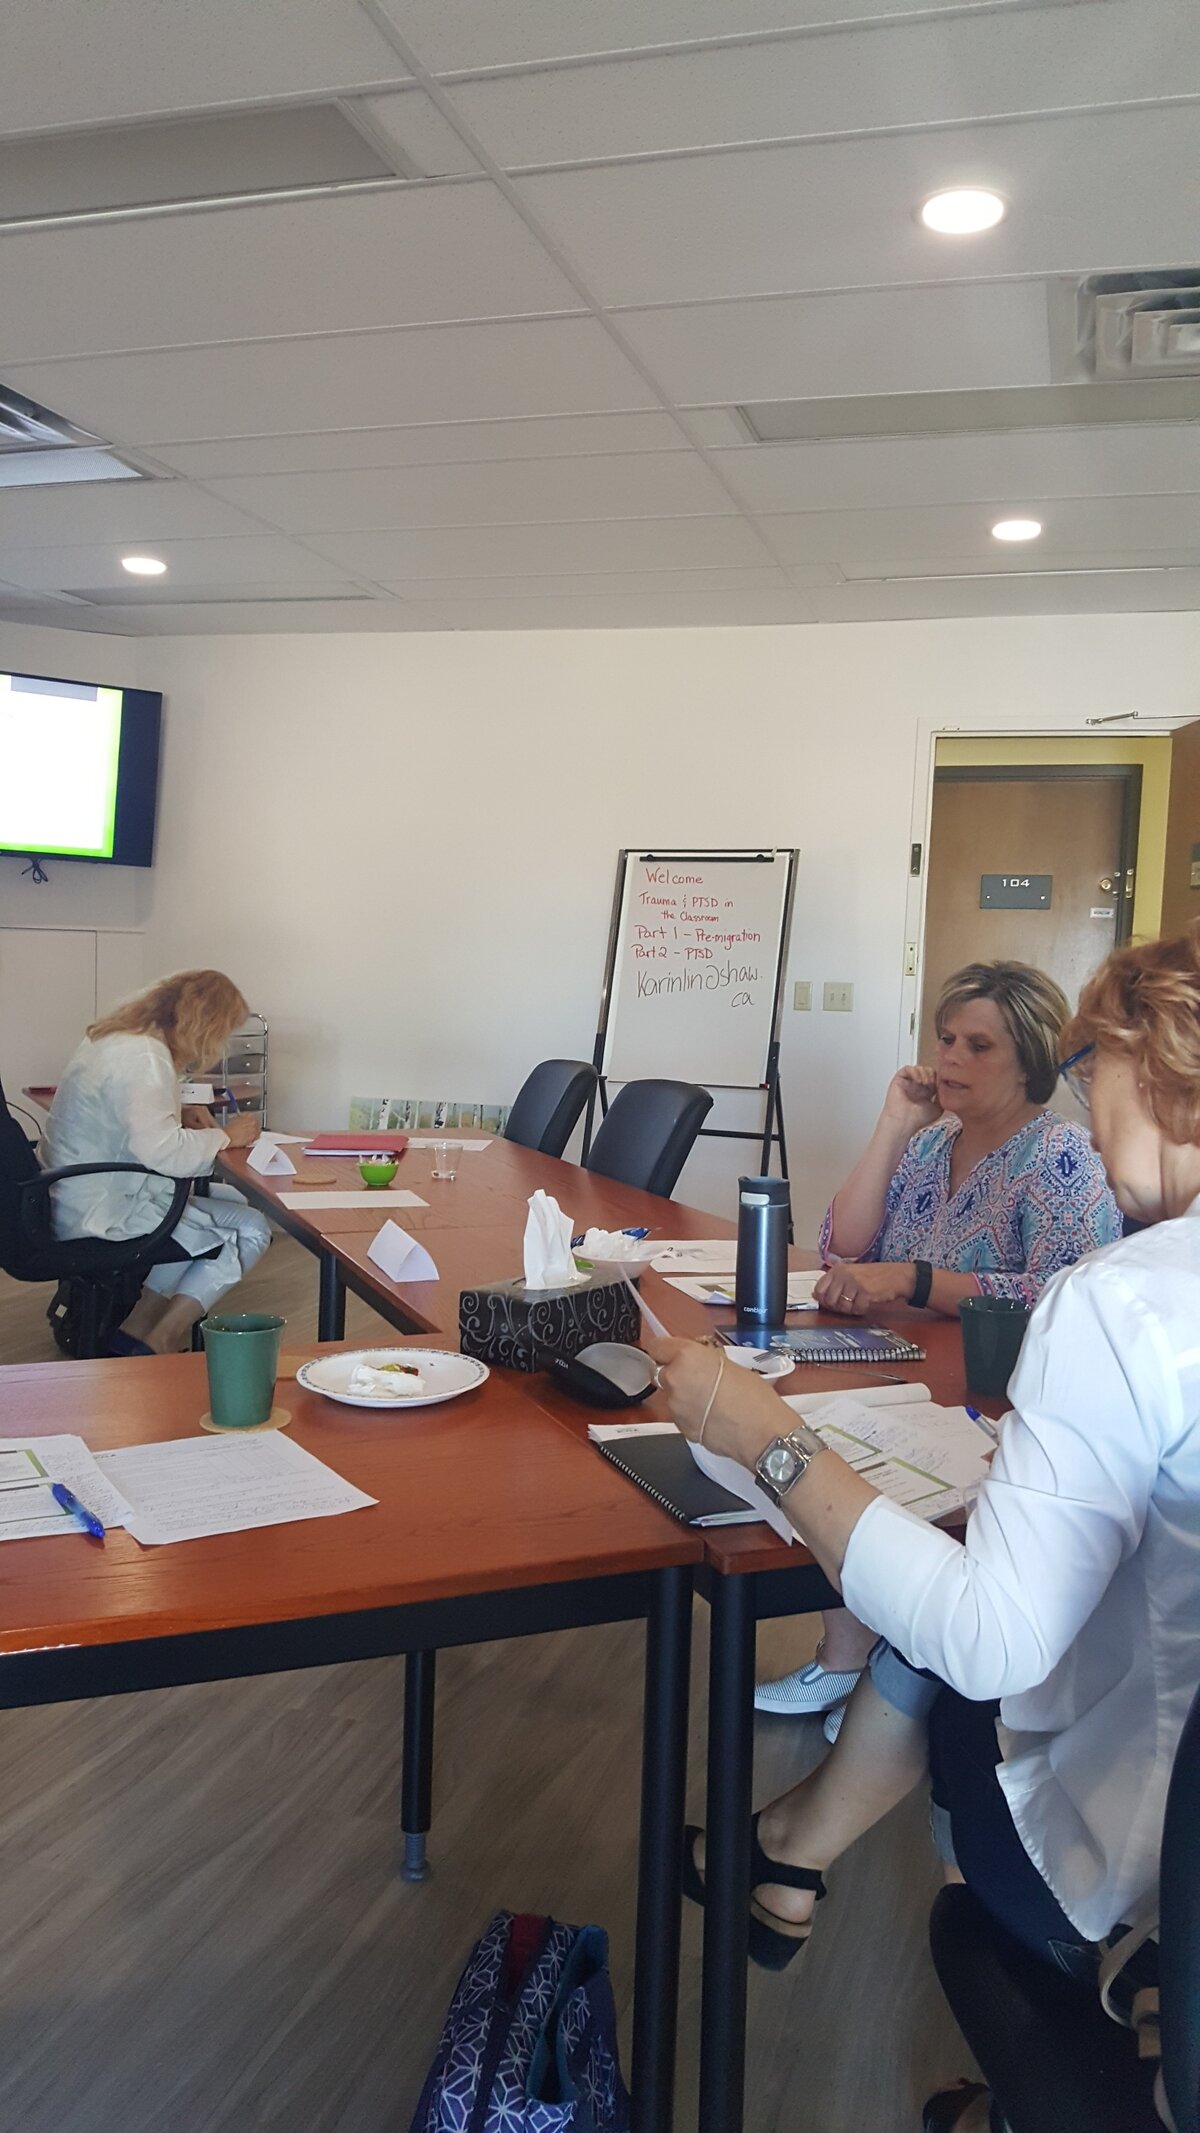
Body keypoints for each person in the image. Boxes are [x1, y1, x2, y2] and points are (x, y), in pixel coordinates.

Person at [651, 923, 1200, 2132]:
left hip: (1141, 1866)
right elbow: (848, 1241)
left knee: (953, 1648)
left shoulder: (1127, 1302)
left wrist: (766, 1437)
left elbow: (992, 1640)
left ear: (1160, 1074)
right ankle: (793, 1850)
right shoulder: (962, 1159)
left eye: (1098, 1066)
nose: (1090, 1100)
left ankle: (801, 1853)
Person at [758, 958, 1121, 1724]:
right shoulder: (930, 1144)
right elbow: (843, 1245)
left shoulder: (1063, 1157)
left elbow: (1063, 1292)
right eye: (946, 1038)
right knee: (814, 1438)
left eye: (978, 1045)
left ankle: (888, 1683)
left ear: (1030, 1060)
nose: (951, 1058)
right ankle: (848, 1660)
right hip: (904, 1375)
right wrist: (895, 1124)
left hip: (994, 1397)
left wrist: (915, 1279)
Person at [41, 970, 269, 1354]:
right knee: (252, 1228)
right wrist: (228, 1136)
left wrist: (176, 1114)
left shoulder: (115, 1038)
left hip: (67, 1194)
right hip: (101, 1211)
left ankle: (135, 1330)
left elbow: (128, 1122)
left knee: (228, 1206)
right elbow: (164, 1153)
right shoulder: (146, 1057)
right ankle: (160, 1339)